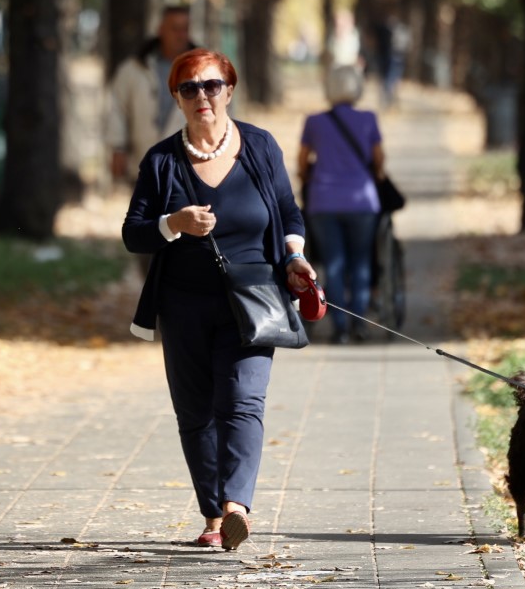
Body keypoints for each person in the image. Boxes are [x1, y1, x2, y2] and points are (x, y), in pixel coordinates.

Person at [122, 48, 314, 552]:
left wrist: (295, 257)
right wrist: (173, 223)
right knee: (195, 412)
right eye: (189, 88)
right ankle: (213, 515)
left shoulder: (260, 146)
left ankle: (236, 507)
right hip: (182, 305)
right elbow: (133, 234)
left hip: (254, 301)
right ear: (176, 98)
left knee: (243, 401)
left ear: (229, 90)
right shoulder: (161, 160)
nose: (201, 96)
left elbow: (289, 212)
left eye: (211, 85)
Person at [297, 64, 383, 344]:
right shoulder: (368, 119)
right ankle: (359, 322)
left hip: (323, 202)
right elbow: (378, 158)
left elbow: (302, 160)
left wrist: (307, 177)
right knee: (360, 261)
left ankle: (340, 327)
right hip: (362, 202)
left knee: (333, 263)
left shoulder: (314, 122)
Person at [106, 5, 197, 185]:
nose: (180, 35)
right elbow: (117, 108)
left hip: (190, 169)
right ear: (161, 30)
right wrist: (117, 146)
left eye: (185, 29)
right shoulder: (134, 69)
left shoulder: (207, 70)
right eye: (175, 29)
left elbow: (223, 112)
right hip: (143, 165)